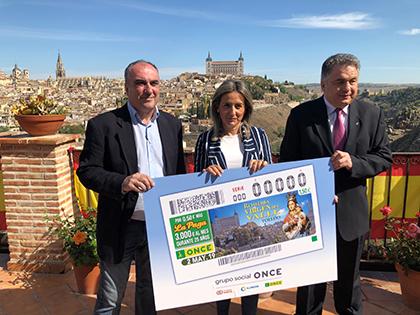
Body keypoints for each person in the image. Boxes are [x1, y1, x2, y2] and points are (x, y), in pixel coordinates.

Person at [279, 53, 392, 314]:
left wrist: (355, 163)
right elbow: (288, 163)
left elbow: (384, 157)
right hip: (310, 216)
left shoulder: (372, 114)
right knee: (309, 288)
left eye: (353, 81)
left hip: (351, 214)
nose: (347, 88)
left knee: (349, 289)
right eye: (340, 81)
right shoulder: (301, 115)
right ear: (323, 84)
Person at [77, 60, 186, 315]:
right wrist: (122, 182)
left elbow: (178, 172)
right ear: (127, 88)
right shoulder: (103, 125)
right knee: (111, 298)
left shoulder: (172, 126)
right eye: (141, 83)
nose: (149, 89)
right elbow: (86, 170)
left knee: (150, 294)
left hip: (159, 226)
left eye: (154, 83)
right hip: (120, 225)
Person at [194, 79, 272, 315]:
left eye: (238, 106)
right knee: (223, 280)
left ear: (246, 108)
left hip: (252, 210)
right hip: (220, 214)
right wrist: (205, 174)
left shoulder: (259, 136)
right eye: (227, 105)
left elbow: (271, 177)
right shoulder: (205, 140)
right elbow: (195, 185)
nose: (233, 112)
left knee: (252, 281)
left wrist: (264, 166)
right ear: (217, 107)